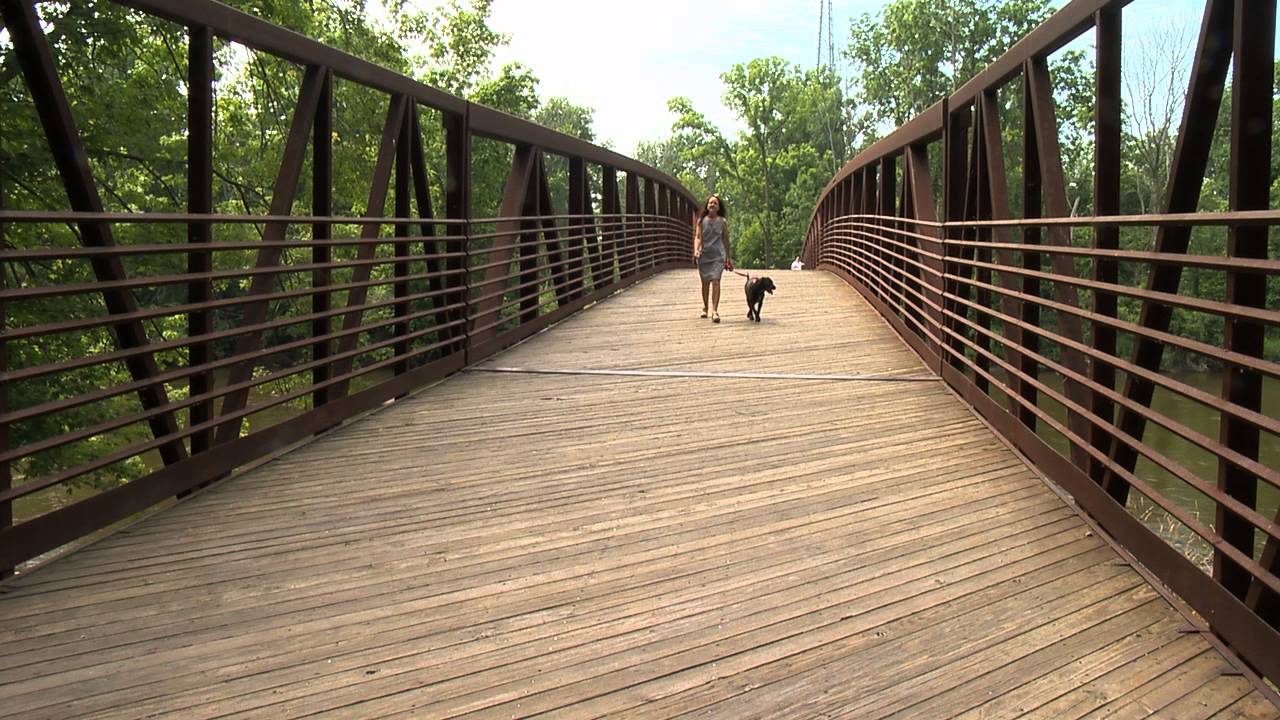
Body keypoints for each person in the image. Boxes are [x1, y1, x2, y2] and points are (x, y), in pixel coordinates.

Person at [692, 194, 732, 323]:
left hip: (718, 256)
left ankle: (715, 311)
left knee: (716, 281)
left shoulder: (722, 222)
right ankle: (705, 307)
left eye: (715, 203)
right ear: (707, 206)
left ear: (719, 207)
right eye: (710, 203)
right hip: (704, 255)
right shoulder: (701, 221)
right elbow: (698, 237)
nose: (712, 205)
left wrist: (728, 257)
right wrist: (696, 250)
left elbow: (726, 239)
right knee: (705, 282)